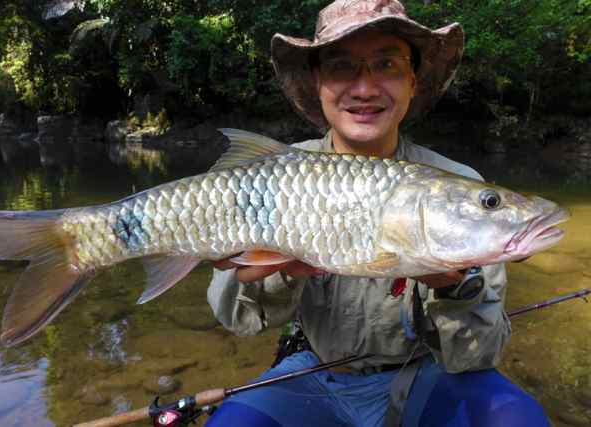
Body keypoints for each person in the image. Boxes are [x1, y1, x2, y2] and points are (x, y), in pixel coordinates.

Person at [206, 1, 549, 426]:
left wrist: (455, 288)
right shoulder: (269, 178)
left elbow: (477, 355)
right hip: (316, 372)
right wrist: (276, 269)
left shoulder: (460, 186)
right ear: (317, 81)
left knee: (516, 420)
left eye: (386, 65)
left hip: (422, 374)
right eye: (341, 66)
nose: (365, 88)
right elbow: (240, 320)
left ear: (413, 80)